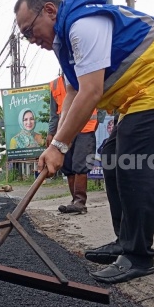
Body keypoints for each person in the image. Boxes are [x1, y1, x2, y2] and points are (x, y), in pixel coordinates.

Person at [14, 0, 154, 283]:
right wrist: (55, 144)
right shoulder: (64, 41)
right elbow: (73, 92)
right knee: (113, 156)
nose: (31, 40)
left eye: (30, 31)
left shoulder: (82, 26)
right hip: (142, 92)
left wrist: (60, 147)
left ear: (50, 11)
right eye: (25, 36)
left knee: (133, 164)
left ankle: (138, 256)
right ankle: (125, 242)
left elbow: (91, 92)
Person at [47, 74, 97, 214]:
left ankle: (80, 202)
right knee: (68, 166)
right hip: (64, 131)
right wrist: (52, 133)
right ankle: (74, 201)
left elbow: (97, 96)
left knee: (79, 164)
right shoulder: (55, 84)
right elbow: (54, 113)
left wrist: (98, 120)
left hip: (85, 127)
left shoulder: (84, 76)